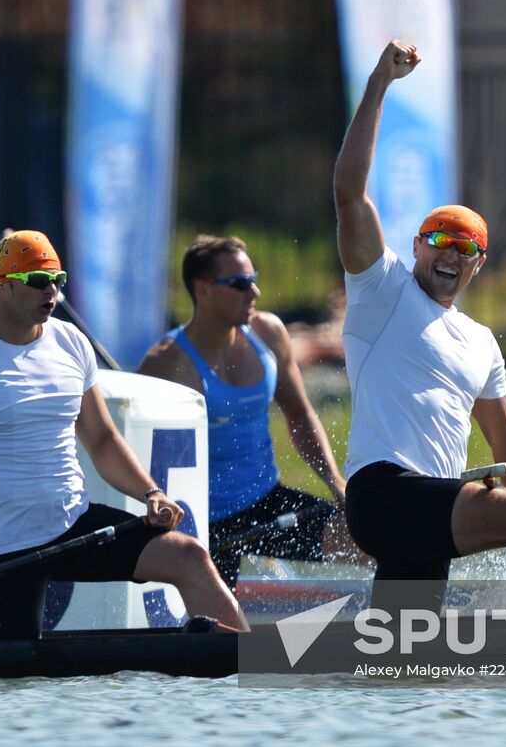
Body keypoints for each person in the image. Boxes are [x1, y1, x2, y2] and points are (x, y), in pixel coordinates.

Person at [333, 40, 506, 614]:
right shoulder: (383, 290)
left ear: (479, 263)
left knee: (408, 662)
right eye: (439, 241)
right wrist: (379, 83)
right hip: (384, 495)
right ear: (416, 246)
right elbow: (349, 194)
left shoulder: (480, 342)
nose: (450, 254)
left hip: (427, 512)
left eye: (465, 247)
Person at [0, 230, 245, 639]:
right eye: (39, 282)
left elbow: (102, 440)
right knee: (12, 683)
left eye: (58, 281)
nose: (52, 293)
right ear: (2, 284)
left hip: (76, 525)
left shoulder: (70, 342)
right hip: (6, 548)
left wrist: (151, 493)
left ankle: (255, 659)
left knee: (189, 556)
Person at [139, 235, 355, 587]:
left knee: (370, 541)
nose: (253, 293)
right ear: (204, 289)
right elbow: (134, 449)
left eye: (253, 281)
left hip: (266, 503)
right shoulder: (167, 363)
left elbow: (300, 416)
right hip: (204, 524)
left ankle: (399, 631)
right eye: (240, 285)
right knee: (227, 635)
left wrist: (335, 483)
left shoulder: (268, 333)